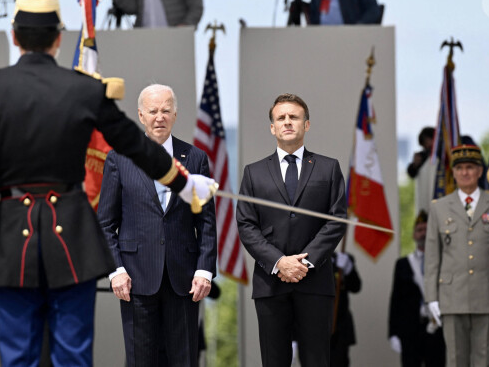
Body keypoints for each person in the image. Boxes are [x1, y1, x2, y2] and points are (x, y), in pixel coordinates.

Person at [0, 0, 215, 367]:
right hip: (71, 239)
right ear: (59, 39)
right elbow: (134, 147)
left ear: (14, 36)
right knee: (72, 357)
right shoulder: (86, 89)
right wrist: (183, 183)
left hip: (11, 241)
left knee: (18, 358)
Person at [98, 84, 217, 367]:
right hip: (135, 279)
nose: (159, 117)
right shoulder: (119, 158)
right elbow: (105, 222)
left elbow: (208, 222)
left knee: (184, 359)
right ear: (141, 115)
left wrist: (204, 270)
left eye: (166, 110)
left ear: (175, 114)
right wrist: (116, 271)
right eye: (153, 111)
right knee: (141, 360)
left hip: (185, 279)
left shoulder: (196, 158)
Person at [236, 93, 347, 367]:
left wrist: (303, 263)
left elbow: (336, 220)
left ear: (306, 125)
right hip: (270, 281)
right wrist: (279, 262)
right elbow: (246, 225)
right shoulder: (254, 172)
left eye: (294, 117)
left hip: (316, 281)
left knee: (317, 360)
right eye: (281, 118)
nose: (287, 122)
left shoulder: (328, 168)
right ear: (272, 127)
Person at [425, 144, 489, 367]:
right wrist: (431, 297)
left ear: (480, 171)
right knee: (455, 360)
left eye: (470, 167)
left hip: (488, 294)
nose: (465, 172)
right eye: (460, 168)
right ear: (453, 172)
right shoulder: (439, 208)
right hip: (452, 296)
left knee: (485, 359)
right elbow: (432, 258)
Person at [388, 210, 445, 367]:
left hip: (438, 329)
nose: (423, 234)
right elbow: (395, 300)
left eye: (427, 230)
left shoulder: (444, 263)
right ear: (413, 235)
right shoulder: (403, 264)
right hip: (410, 330)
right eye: (420, 230)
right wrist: (393, 333)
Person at [329, 251, 361, 367]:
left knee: (340, 361)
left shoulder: (344, 258)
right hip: (316, 325)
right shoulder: (309, 258)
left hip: (340, 325)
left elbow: (356, 287)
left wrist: (349, 270)